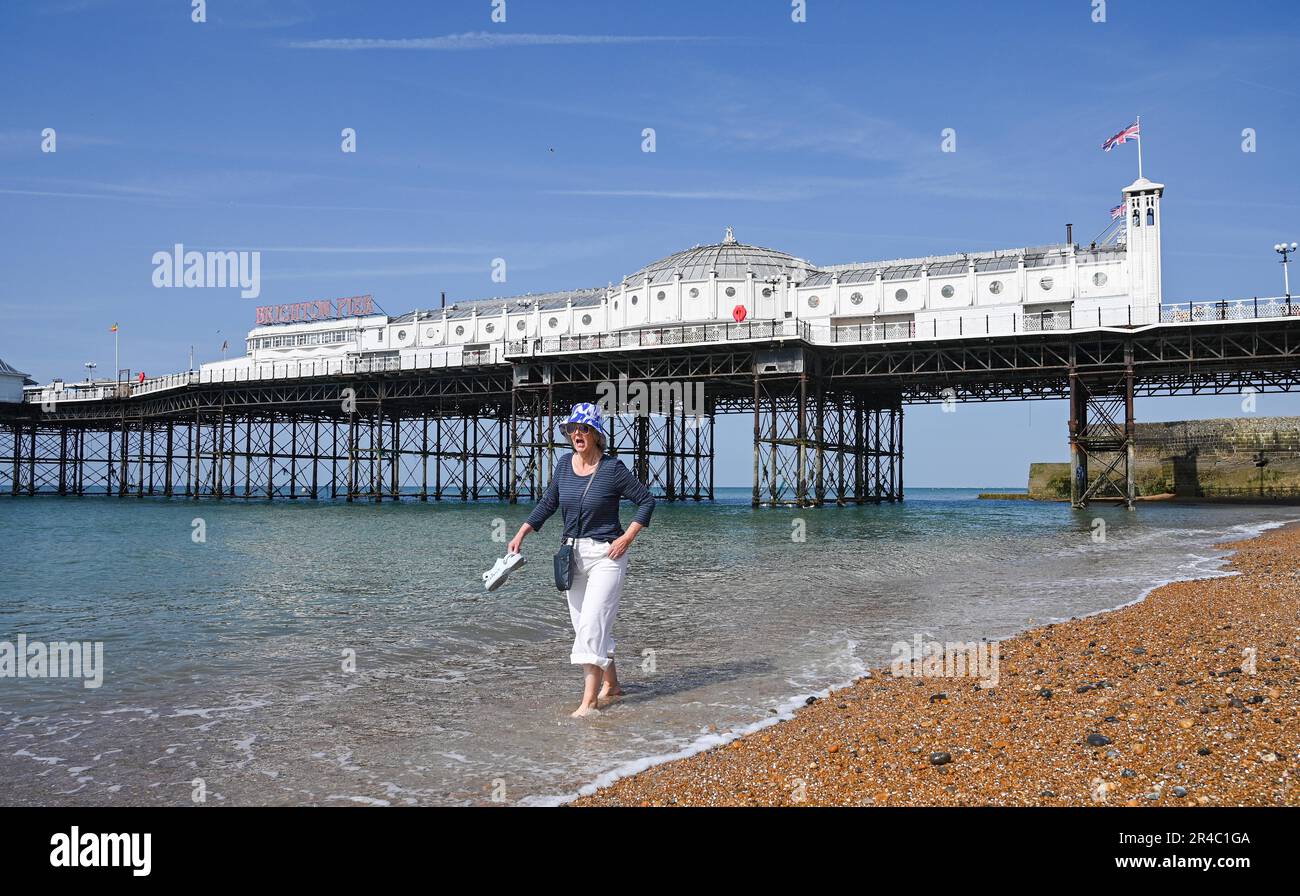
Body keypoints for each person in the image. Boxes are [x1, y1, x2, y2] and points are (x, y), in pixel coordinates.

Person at [508, 402, 655, 717]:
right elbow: (549, 502)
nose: (577, 433)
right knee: (585, 626)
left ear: (596, 435)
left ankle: (589, 703)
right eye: (572, 428)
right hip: (572, 556)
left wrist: (627, 538)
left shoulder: (613, 468)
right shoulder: (563, 465)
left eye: (583, 428)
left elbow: (646, 501)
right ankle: (612, 685)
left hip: (607, 556)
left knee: (591, 626)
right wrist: (522, 532)